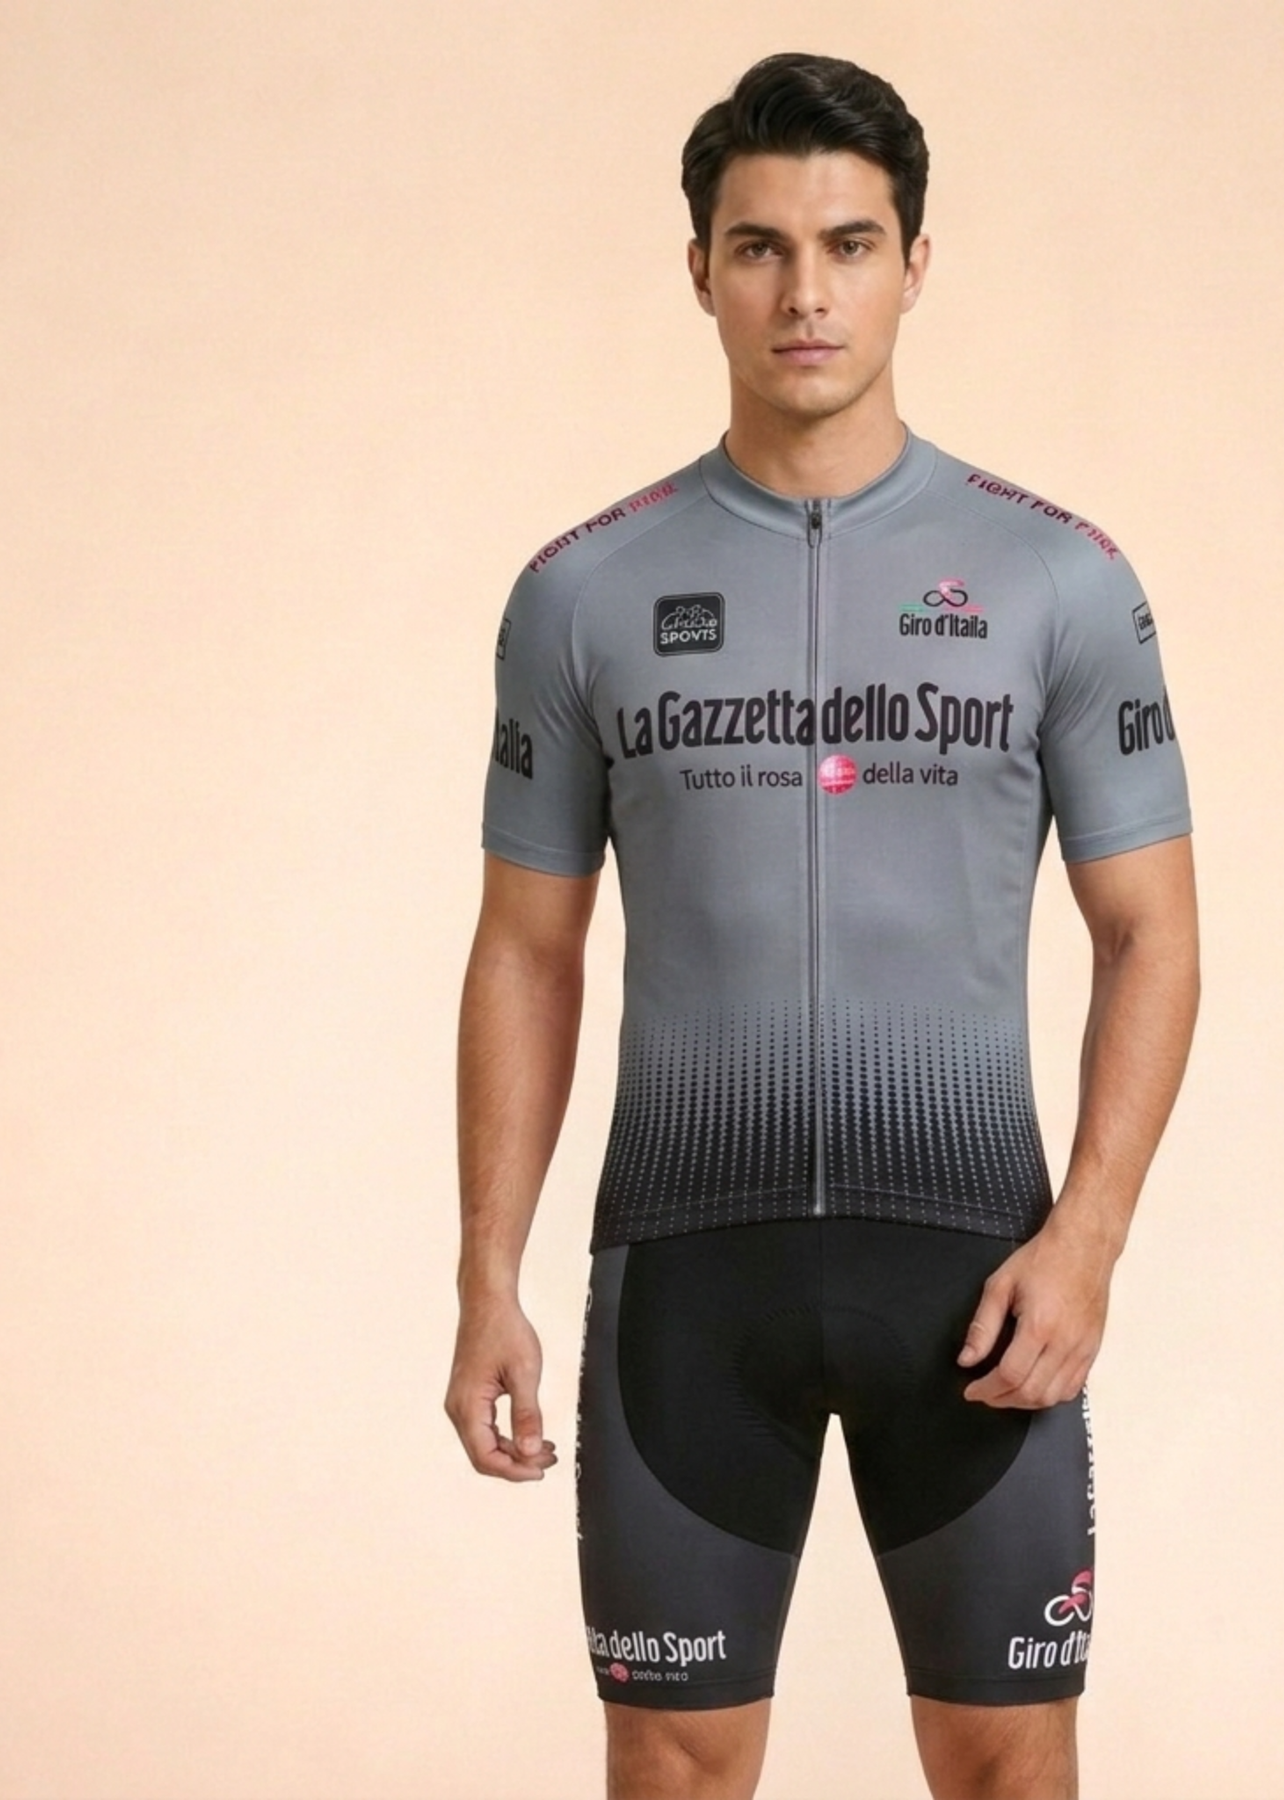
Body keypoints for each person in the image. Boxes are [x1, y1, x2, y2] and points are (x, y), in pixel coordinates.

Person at [445, 51, 1199, 1800]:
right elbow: (526, 950)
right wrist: (487, 1273)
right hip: (686, 1272)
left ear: (914, 265)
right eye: (762, 247)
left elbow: (1152, 935)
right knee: (673, 1770)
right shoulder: (580, 592)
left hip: (973, 1270)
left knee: (1009, 1768)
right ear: (699, 269)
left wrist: (1088, 1240)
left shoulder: (1059, 579)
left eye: (850, 246)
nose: (806, 293)